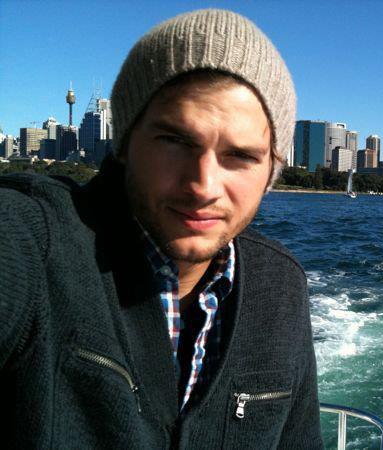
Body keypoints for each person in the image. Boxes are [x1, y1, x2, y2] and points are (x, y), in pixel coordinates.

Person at [0, 9, 323, 449]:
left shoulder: (282, 286)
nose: (203, 187)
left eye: (240, 156)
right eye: (174, 141)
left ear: (271, 171)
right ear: (124, 143)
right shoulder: (36, 241)